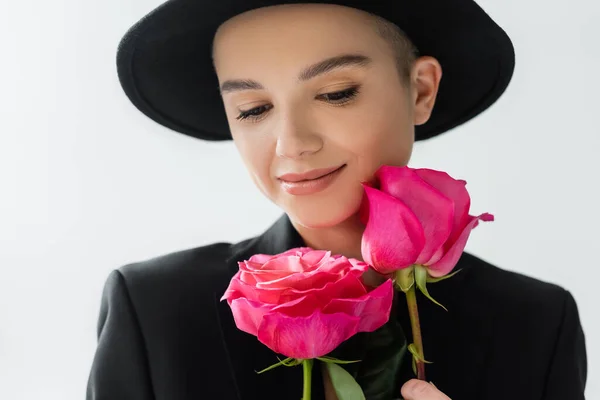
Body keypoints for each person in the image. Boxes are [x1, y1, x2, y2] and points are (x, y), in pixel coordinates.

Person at [86, 1, 587, 399]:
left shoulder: (534, 324)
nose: (292, 143)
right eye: (253, 108)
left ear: (419, 90)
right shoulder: (154, 310)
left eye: (337, 93)